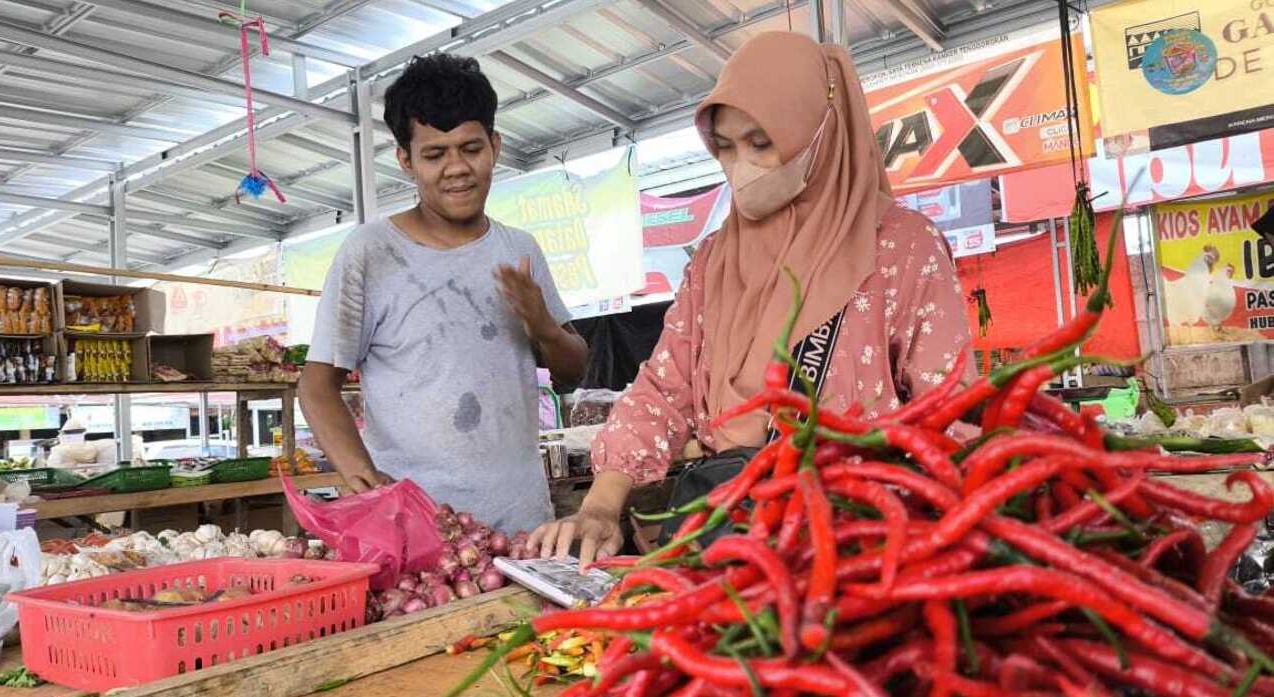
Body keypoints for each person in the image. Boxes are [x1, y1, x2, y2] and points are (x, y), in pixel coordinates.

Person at [529, 31, 971, 564]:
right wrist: (600, 505)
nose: (742, 165)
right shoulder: (714, 261)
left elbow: (952, 409)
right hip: (733, 532)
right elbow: (663, 390)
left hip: (869, 544)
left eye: (761, 143)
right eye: (726, 146)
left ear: (819, 129)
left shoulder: (901, 246)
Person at [299, 53, 588, 534]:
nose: (457, 168)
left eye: (471, 148)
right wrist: (362, 479)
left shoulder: (519, 249)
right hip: (416, 529)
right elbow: (316, 385)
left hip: (521, 525)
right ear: (405, 160)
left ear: (494, 146)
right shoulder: (370, 253)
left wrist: (544, 328)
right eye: (435, 154)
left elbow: (572, 371)